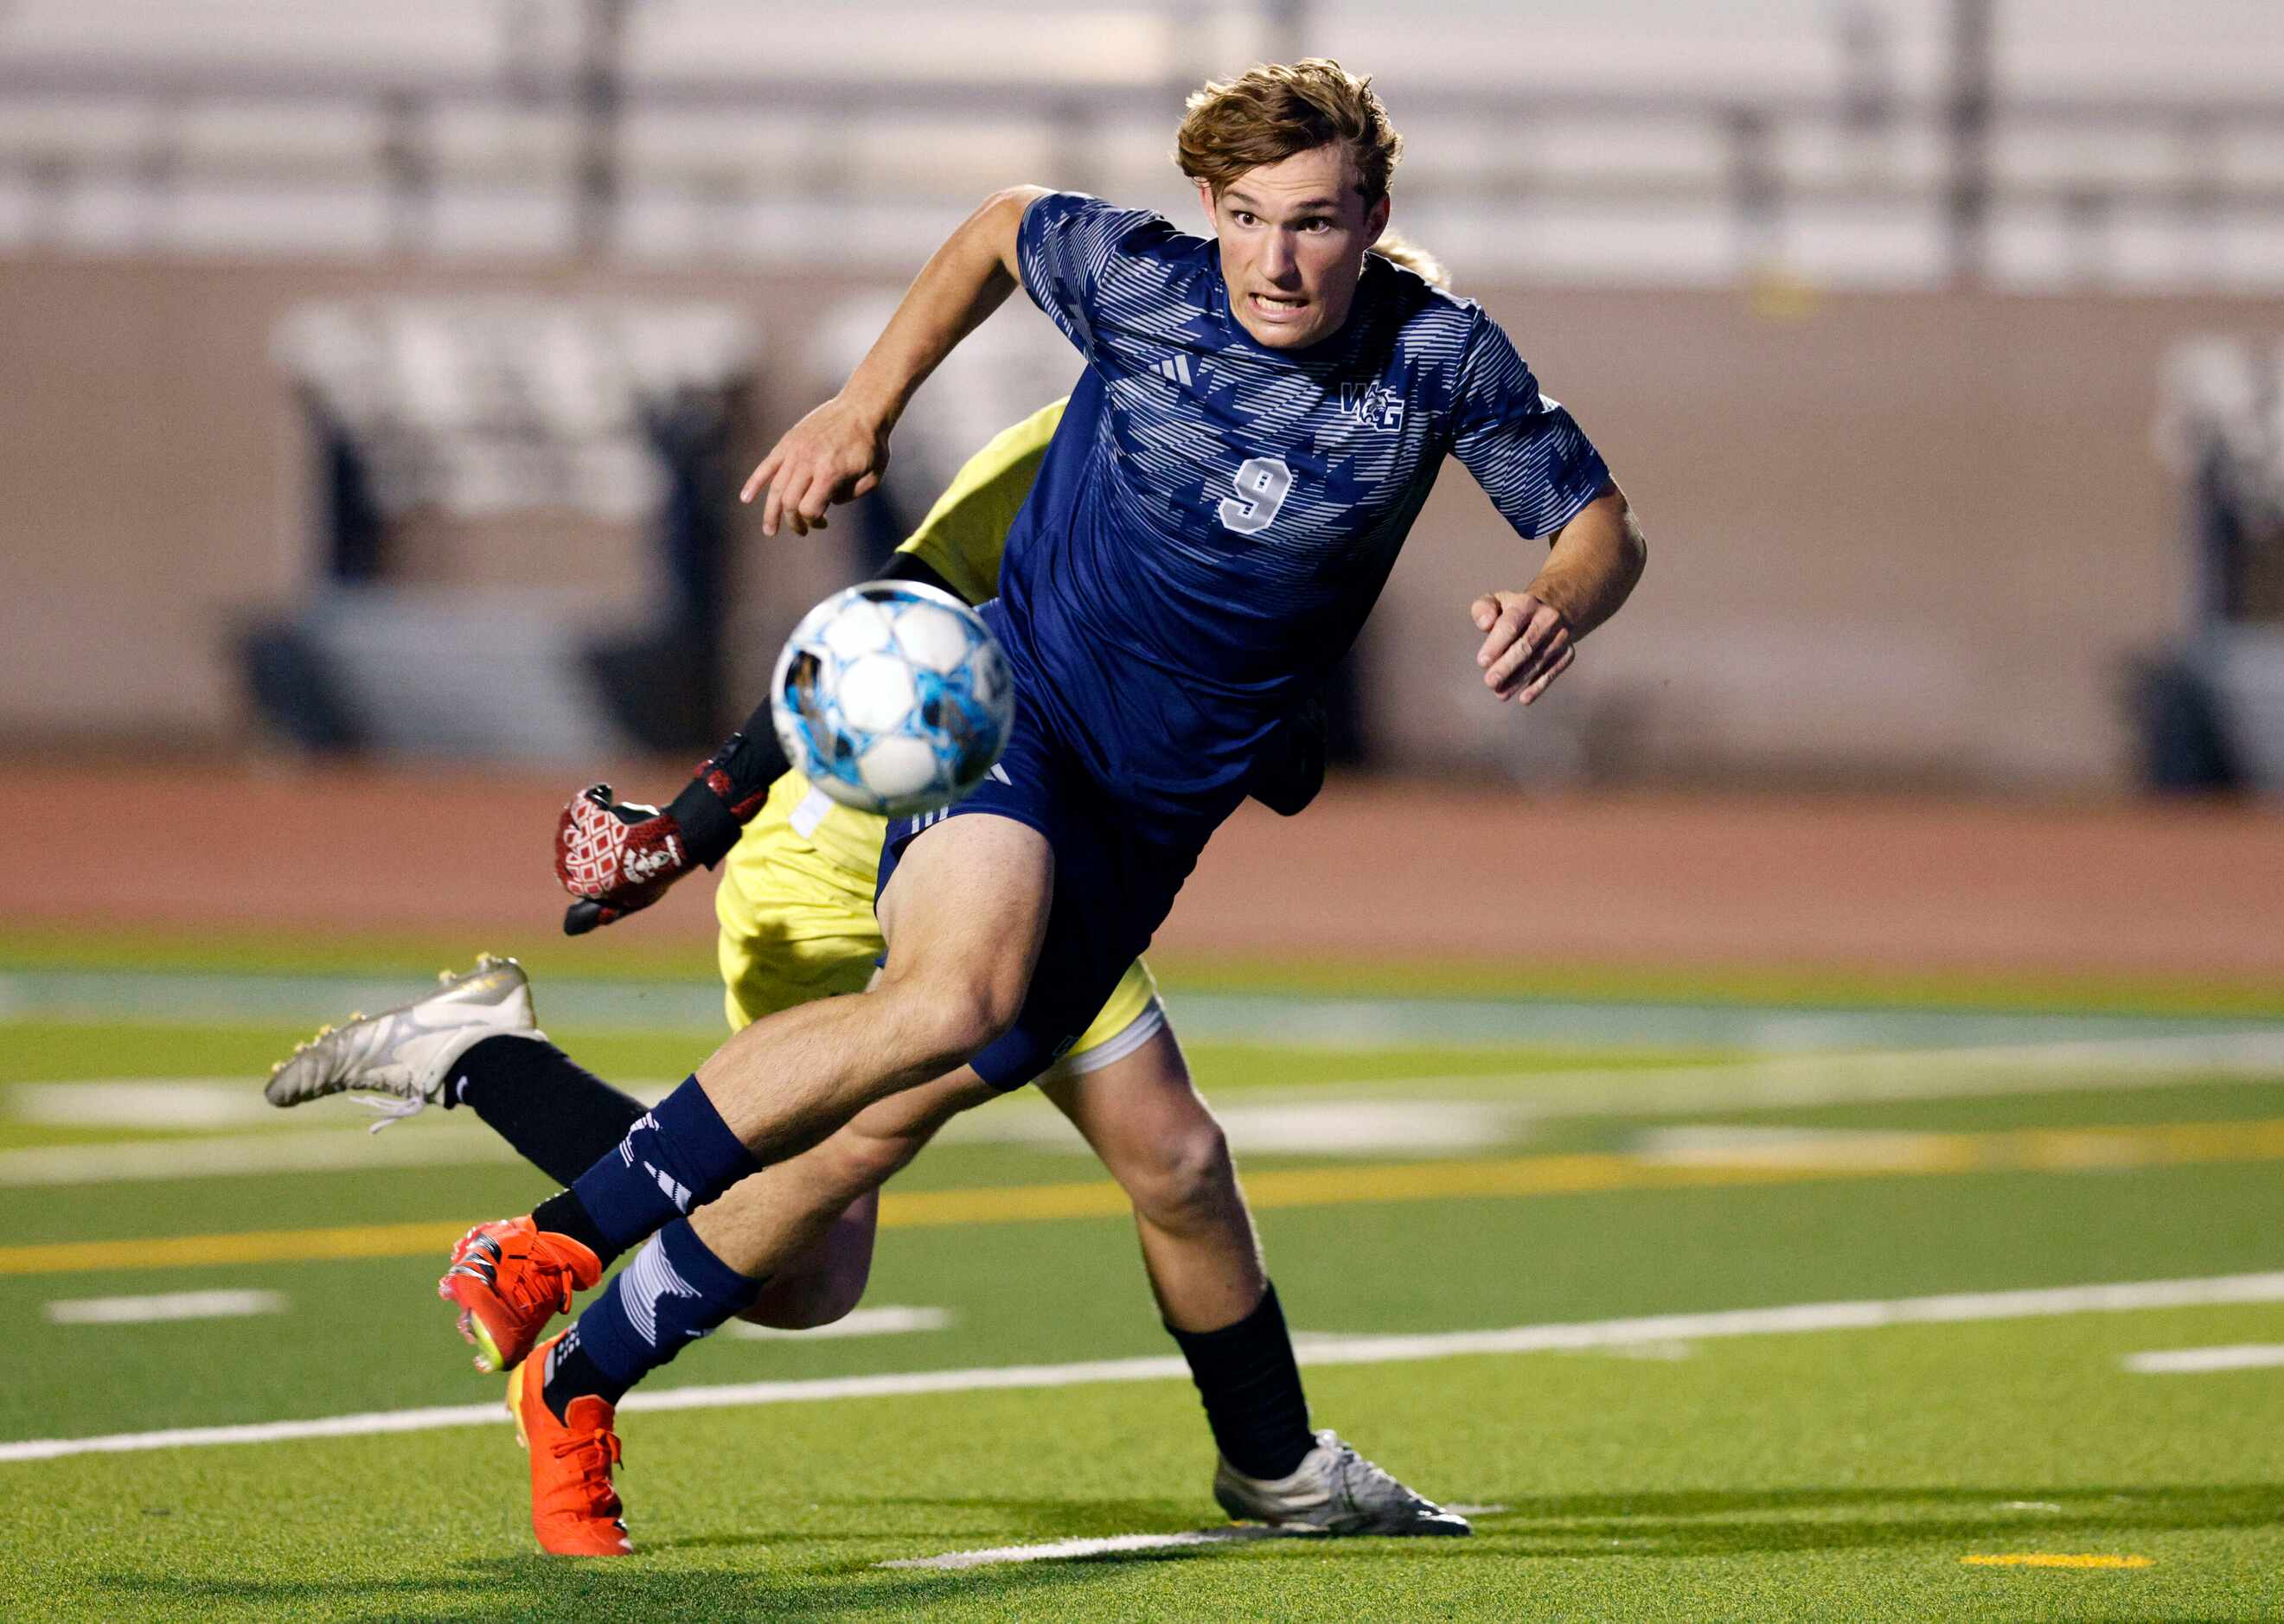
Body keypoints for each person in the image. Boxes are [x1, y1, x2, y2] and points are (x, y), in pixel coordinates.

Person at [284, 57, 1647, 1556]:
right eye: (1249, 219)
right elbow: (909, 560)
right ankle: (550, 1253)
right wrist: (854, 423)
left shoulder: (1434, 367)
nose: (1276, 258)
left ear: (1373, 223)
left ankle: (583, 1348)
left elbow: (1596, 525)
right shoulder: (1134, 320)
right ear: (1208, 213)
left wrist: (1552, 603)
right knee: (957, 1022)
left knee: (969, 1173)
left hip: (1135, 833)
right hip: (985, 745)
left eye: (1315, 224)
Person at [272, 342, 1459, 1556]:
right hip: (858, 851)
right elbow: (876, 628)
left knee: (1173, 1159)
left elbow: (1290, 766)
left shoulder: (1313, 510)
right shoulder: (1099, 428)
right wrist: (691, 824)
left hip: (1056, 863)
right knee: (808, 1252)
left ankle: (1274, 1467)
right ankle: (517, 1150)